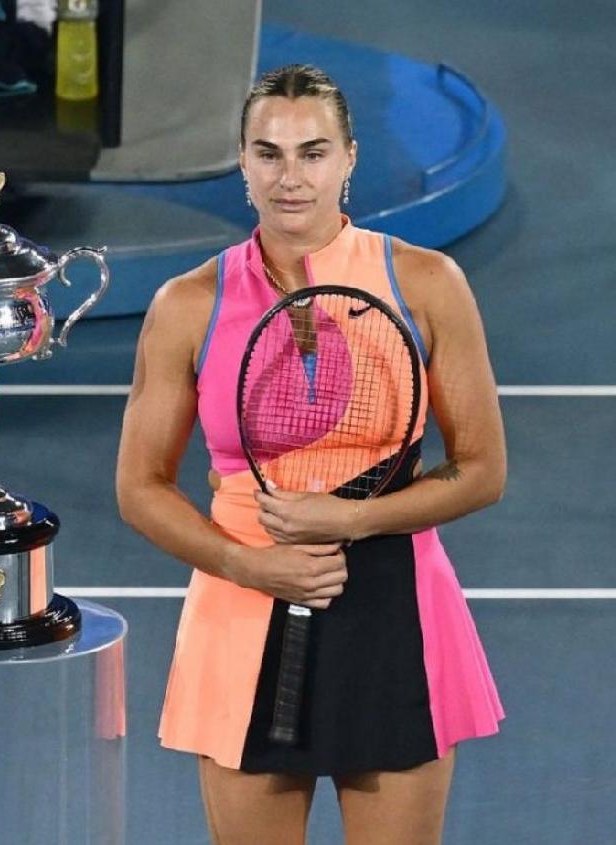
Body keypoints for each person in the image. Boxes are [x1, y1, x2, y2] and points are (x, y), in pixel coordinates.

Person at [115, 64, 506, 844]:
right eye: (268, 153)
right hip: (241, 608)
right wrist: (245, 564)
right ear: (243, 161)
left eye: (313, 152)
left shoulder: (428, 284)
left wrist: (354, 519)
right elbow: (141, 486)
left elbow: (482, 470)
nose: (290, 177)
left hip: (394, 613)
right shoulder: (187, 305)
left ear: (350, 158)